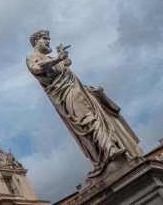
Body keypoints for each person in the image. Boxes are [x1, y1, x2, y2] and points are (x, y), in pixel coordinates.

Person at [26, 29, 143, 177]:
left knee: (96, 118)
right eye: (44, 38)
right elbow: (36, 68)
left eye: (48, 38)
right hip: (65, 94)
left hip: (77, 90)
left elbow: (63, 69)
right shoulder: (32, 56)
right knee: (87, 119)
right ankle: (110, 150)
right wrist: (57, 59)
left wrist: (65, 63)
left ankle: (108, 151)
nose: (48, 41)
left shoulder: (49, 57)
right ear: (36, 41)